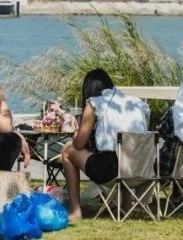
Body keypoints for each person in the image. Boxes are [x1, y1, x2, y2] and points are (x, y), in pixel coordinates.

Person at [60, 69, 149, 220]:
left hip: (112, 171)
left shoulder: (95, 103)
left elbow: (79, 144)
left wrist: (77, 130)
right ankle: (125, 206)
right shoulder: (135, 102)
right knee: (123, 150)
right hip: (141, 169)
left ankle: (75, 210)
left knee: (68, 149)